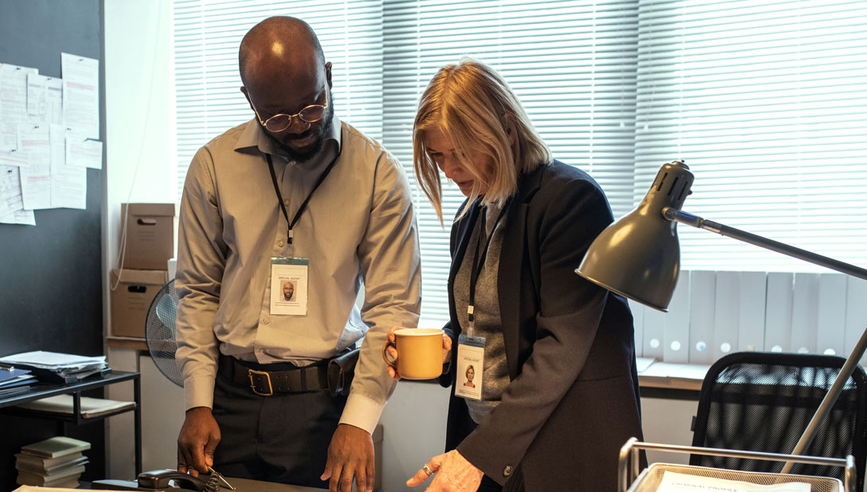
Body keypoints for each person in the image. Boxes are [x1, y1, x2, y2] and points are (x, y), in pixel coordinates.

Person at [174, 16, 421, 492]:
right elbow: (198, 291)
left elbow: (393, 309)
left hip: (324, 408)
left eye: (312, 106)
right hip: (228, 402)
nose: (301, 127)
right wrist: (196, 402)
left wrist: (359, 421)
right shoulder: (212, 167)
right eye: (279, 117)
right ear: (249, 100)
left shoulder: (377, 175)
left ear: (329, 74)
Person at [386, 59, 644, 491]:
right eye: (438, 156)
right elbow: (480, 321)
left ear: (505, 130)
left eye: (461, 153)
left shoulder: (571, 201)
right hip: (489, 439)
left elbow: (560, 347)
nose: (449, 171)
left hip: (560, 446)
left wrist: (480, 454)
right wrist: (446, 345)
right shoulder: (472, 213)